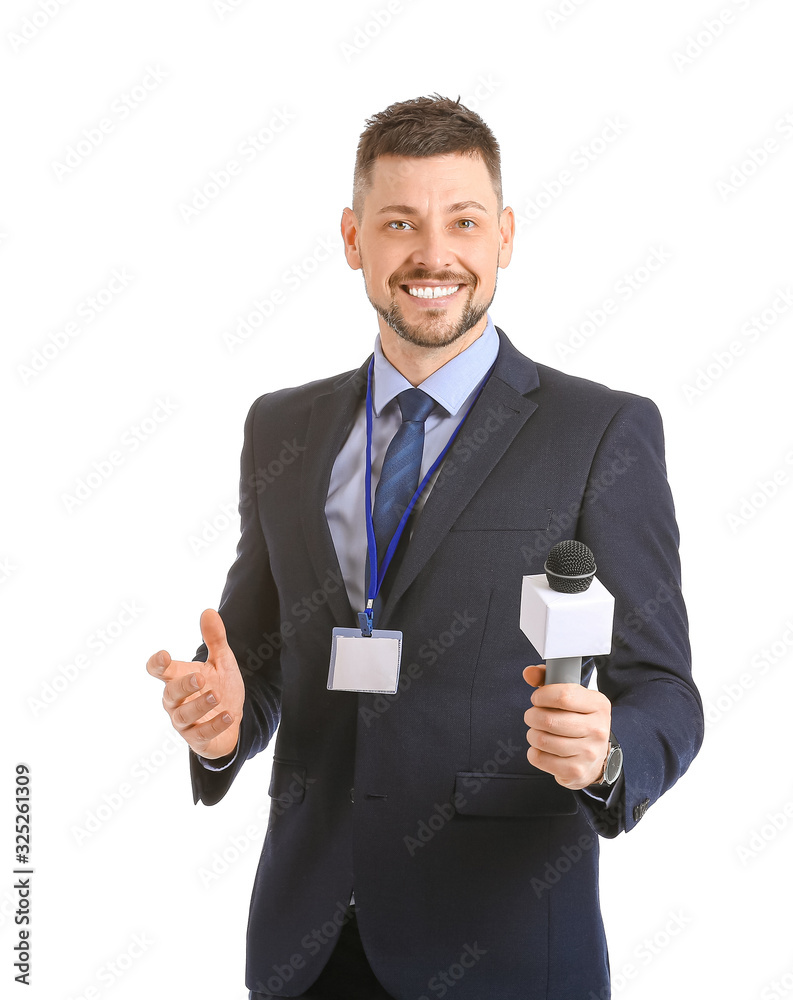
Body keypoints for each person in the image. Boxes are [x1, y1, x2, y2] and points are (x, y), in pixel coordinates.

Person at [147, 94, 703, 1000]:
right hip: (309, 947)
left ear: (505, 236)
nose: (433, 255)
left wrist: (608, 754)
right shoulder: (281, 427)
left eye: (464, 221)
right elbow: (260, 664)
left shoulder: (598, 431)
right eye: (399, 222)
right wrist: (219, 724)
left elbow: (668, 693)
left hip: (504, 947)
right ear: (353, 236)